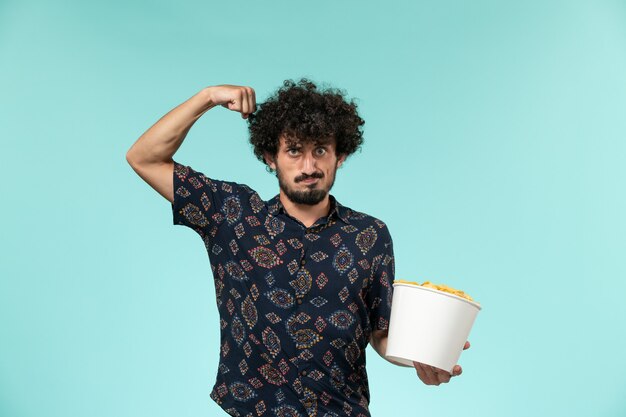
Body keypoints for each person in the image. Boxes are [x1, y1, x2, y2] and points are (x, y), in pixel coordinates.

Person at [126, 79, 469, 417]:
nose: (309, 167)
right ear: (270, 157)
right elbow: (145, 158)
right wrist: (207, 97)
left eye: (320, 150)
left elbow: (379, 332)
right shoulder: (232, 215)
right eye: (294, 150)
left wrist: (421, 356)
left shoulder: (370, 234)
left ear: (341, 155)